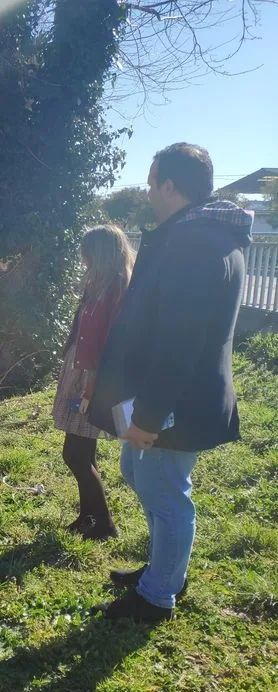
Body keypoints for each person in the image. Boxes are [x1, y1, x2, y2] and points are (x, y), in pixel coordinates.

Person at [88, 143, 252, 621]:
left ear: (169, 185)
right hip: (169, 395)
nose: (146, 189)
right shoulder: (197, 233)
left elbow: (180, 345)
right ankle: (164, 569)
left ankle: (158, 596)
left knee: (165, 491)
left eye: (151, 179)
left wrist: (149, 416)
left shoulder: (196, 243)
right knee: (139, 475)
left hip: (175, 400)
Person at [52, 225, 133, 541]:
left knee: (74, 454)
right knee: (85, 452)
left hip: (92, 377)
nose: (83, 261)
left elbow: (111, 344)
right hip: (80, 370)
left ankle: (104, 524)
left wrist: (90, 388)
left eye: (87, 255)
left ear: (100, 254)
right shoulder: (98, 285)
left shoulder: (117, 289)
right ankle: (88, 518)